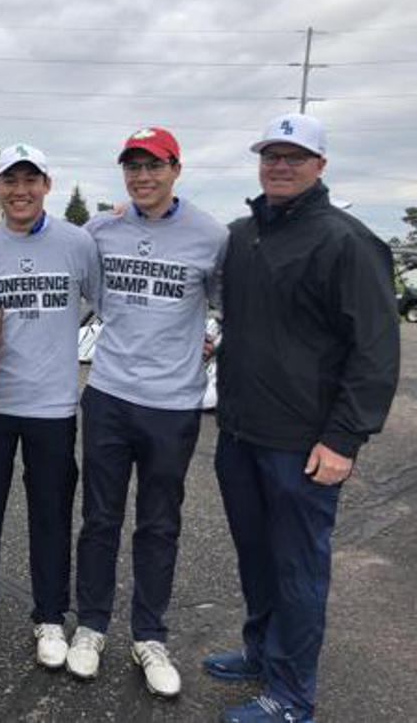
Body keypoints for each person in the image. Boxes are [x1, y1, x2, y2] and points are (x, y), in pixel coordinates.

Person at [207, 113, 399, 723]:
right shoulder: (243, 235)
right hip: (240, 430)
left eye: (294, 156)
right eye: (271, 155)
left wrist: (345, 437)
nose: (280, 166)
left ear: (320, 165)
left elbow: (374, 350)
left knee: (298, 566)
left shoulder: (347, 240)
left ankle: (292, 696)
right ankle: (262, 652)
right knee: (256, 557)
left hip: (303, 443)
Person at [66, 128, 227, 697]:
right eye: (132, 167)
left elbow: (231, 305)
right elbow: (63, 263)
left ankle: (149, 636)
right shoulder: (101, 230)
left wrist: (213, 345)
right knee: (101, 519)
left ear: (176, 169)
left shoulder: (210, 235)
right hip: (108, 394)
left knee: (159, 523)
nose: (142, 177)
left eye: (153, 166)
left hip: (172, 405)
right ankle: (90, 626)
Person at [0, 144, 100, 669]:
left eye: (30, 180)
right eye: (10, 181)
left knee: (51, 514)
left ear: (47, 185)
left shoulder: (78, 243)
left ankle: (51, 617)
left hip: (54, 408)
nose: (20, 190)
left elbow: (103, 304)